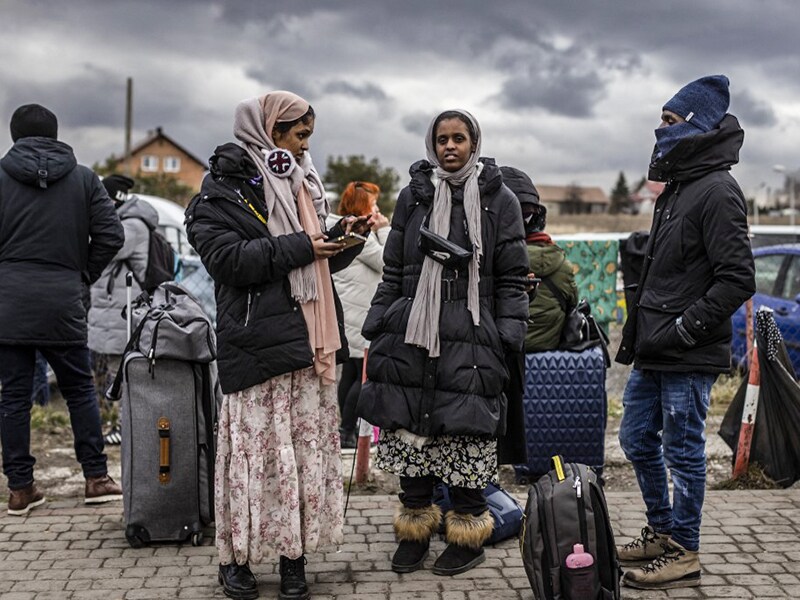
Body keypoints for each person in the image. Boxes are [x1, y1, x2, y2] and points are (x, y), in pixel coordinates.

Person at [185, 91, 372, 600]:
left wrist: (342, 238)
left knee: (301, 459)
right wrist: (304, 246)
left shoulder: (302, 184)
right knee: (253, 459)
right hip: (257, 347)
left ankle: (294, 557)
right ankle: (236, 559)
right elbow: (229, 261)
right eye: (300, 136)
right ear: (270, 132)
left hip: (306, 344)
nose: (306, 147)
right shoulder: (219, 194)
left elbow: (313, 262)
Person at [357, 109, 529, 576]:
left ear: (474, 143)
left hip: (472, 332)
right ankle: (414, 531)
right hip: (413, 329)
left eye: (458, 138)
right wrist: (380, 320)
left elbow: (513, 276)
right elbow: (394, 268)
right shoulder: (412, 197)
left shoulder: (500, 200)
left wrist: (506, 335)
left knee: (466, 434)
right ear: (432, 145)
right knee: (412, 431)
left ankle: (468, 537)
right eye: (441, 139)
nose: (449, 146)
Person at [615, 75, 755, 590]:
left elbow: (737, 278)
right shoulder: (677, 189)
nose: (661, 128)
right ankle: (662, 532)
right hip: (654, 348)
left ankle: (685, 551)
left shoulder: (718, 190)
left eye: (670, 120)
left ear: (697, 126)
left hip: (687, 352)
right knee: (634, 438)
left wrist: (683, 329)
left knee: (683, 451)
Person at [0, 103, 125, 515]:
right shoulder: (85, 179)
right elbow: (111, 234)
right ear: (55, 134)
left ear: (15, 135)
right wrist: (81, 274)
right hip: (63, 300)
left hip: (9, 303)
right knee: (79, 390)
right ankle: (96, 479)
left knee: (13, 396)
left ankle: (20, 489)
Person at [88, 174, 159, 445]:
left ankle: (125, 426)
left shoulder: (132, 226)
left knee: (124, 373)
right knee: (112, 372)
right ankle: (117, 422)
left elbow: (104, 247)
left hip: (122, 312)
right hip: (111, 311)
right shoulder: (123, 222)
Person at [325, 181, 390, 448]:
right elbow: (387, 260)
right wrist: (384, 229)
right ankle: (347, 431)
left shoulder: (337, 227)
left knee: (351, 374)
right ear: (363, 207)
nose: (377, 210)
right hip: (358, 312)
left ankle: (346, 430)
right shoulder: (361, 235)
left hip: (349, 309)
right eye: (373, 204)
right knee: (359, 374)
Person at [499, 166, 578, 353]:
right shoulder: (562, 265)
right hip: (548, 345)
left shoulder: (496, 260)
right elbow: (572, 303)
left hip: (503, 345)